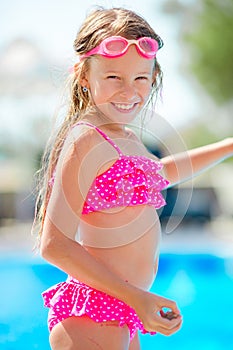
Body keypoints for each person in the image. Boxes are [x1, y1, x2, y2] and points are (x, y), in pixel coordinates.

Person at [34, 7, 233, 350]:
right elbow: (54, 245)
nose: (129, 91)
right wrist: (138, 298)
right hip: (93, 315)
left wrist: (228, 145)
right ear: (84, 75)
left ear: (153, 76)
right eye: (114, 78)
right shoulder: (86, 138)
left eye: (141, 78)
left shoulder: (124, 137)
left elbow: (164, 172)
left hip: (119, 310)